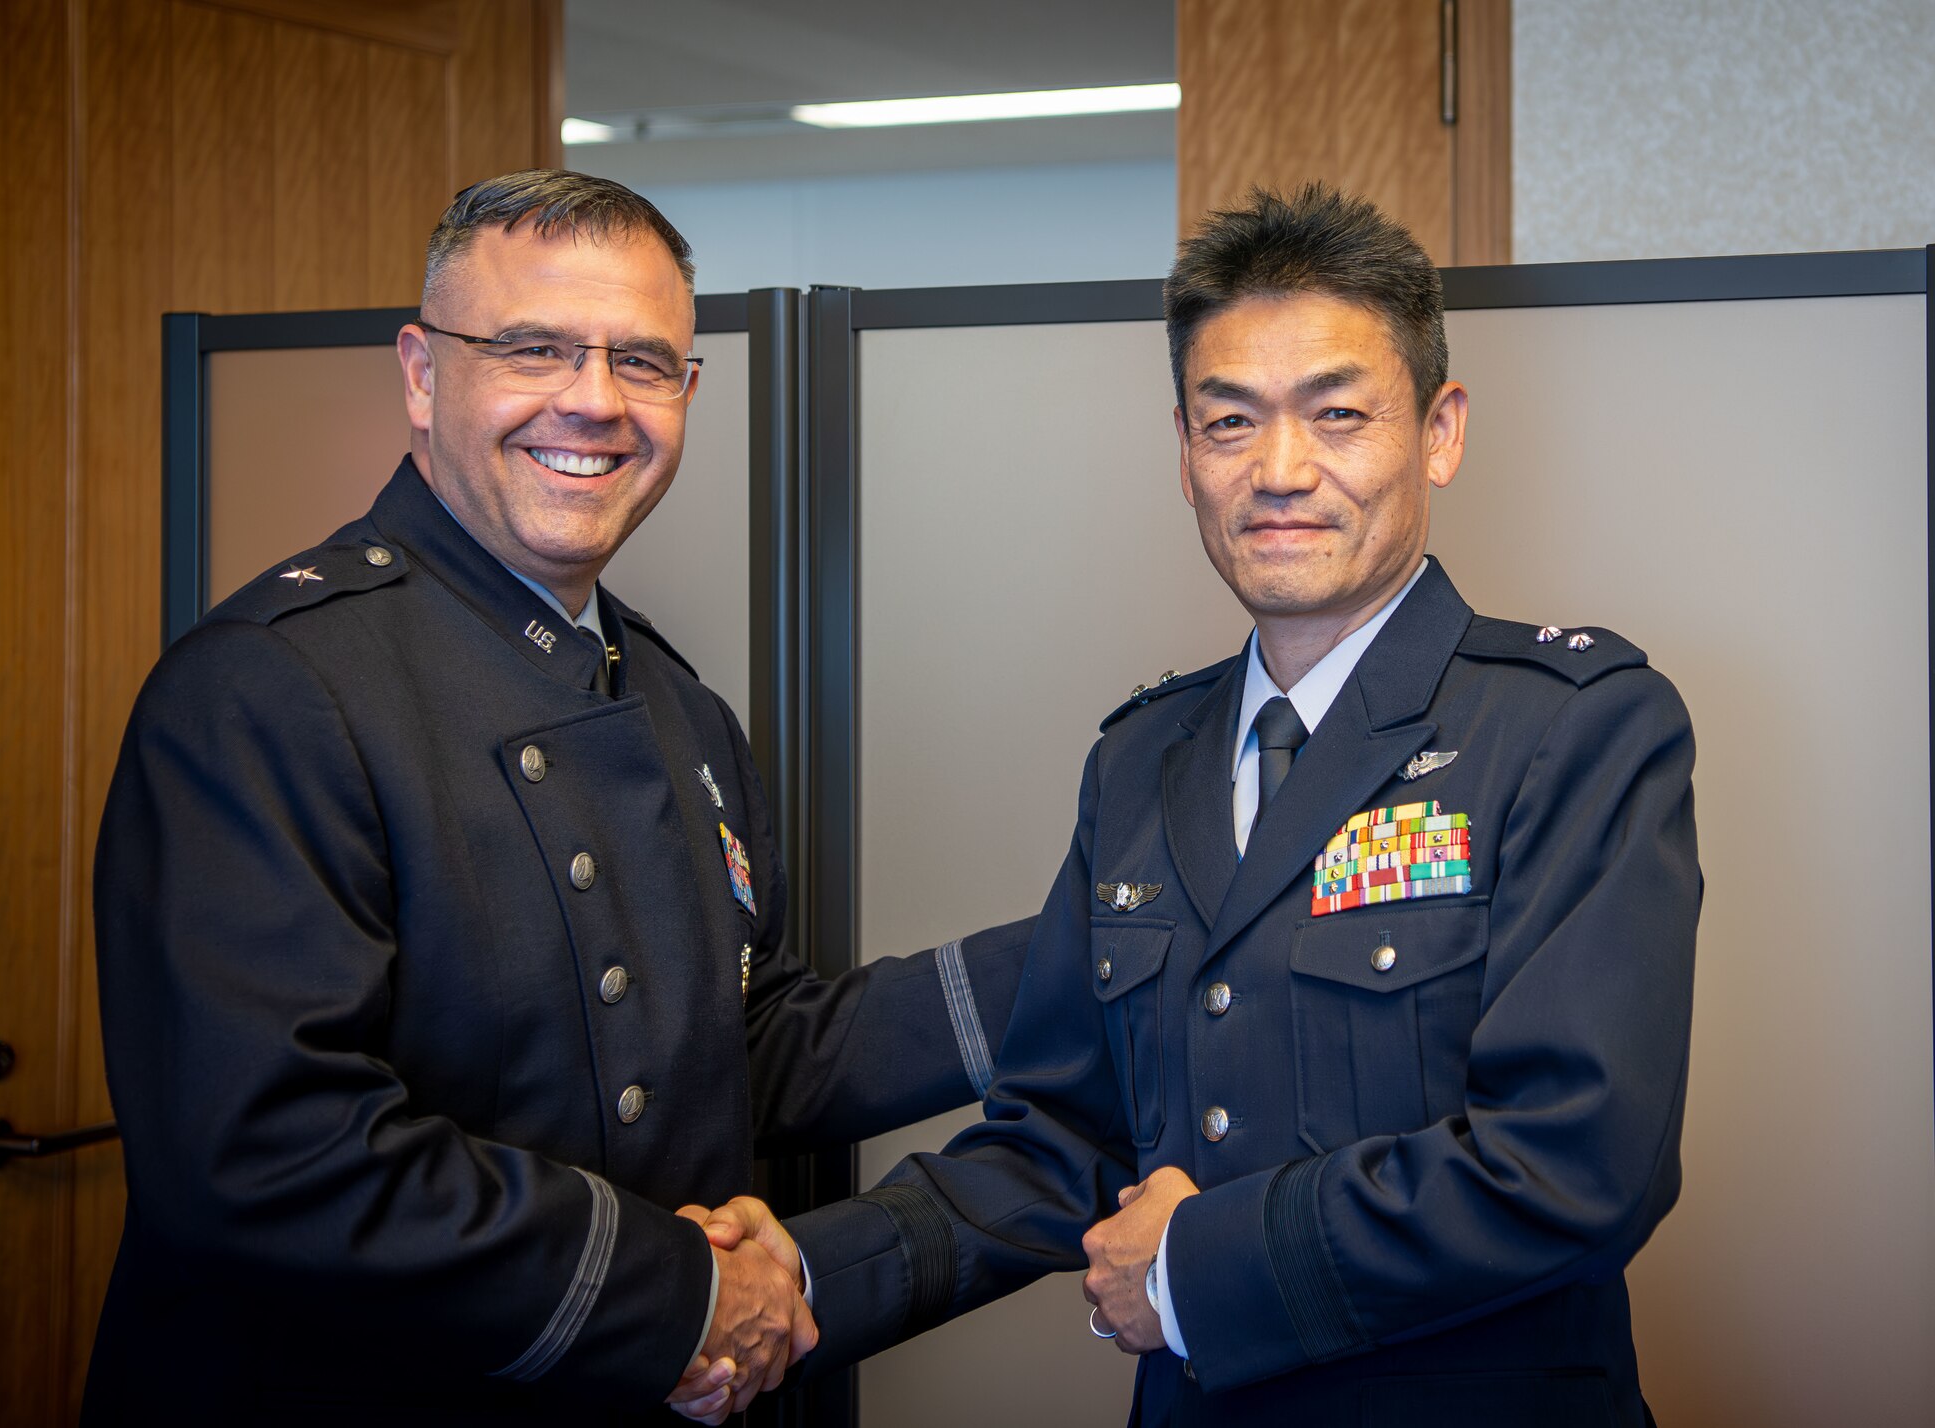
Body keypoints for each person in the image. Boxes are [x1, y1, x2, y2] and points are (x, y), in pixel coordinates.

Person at [702, 185, 1700, 1426]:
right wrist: (792, 1278)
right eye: (1229, 422)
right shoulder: (1142, 757)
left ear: (1438, 432)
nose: (1280, 471)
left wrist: (1189, 1267)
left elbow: (1574, 1163)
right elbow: (1058, 1132)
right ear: (1183, 450)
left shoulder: (1569, 725)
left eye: (1337, 415)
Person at [84, 170, 1029, 1425]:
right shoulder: (271, 687)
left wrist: (1076, 963)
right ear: (421, 375)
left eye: (642, 362)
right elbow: (270, 1157)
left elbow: (735, 1047)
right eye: (532, 348)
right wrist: (683, 1296)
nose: (592, 401)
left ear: (687, 395)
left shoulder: (678, 709)